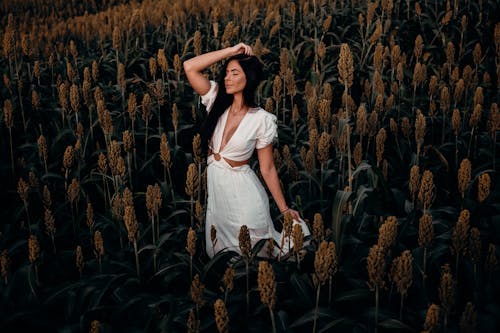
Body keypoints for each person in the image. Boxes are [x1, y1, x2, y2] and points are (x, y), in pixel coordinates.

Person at [183, 42, 309, 257]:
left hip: (245, 198)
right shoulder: (216, 101)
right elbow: (189, 67)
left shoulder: (262, 120)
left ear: (248, 78)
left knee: (256, 256)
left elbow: (267, 169)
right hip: (218, 200)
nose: (227, 78)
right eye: (226, 73)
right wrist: (231, 51)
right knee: (224, 259)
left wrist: (284, 209)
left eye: (234, 73)